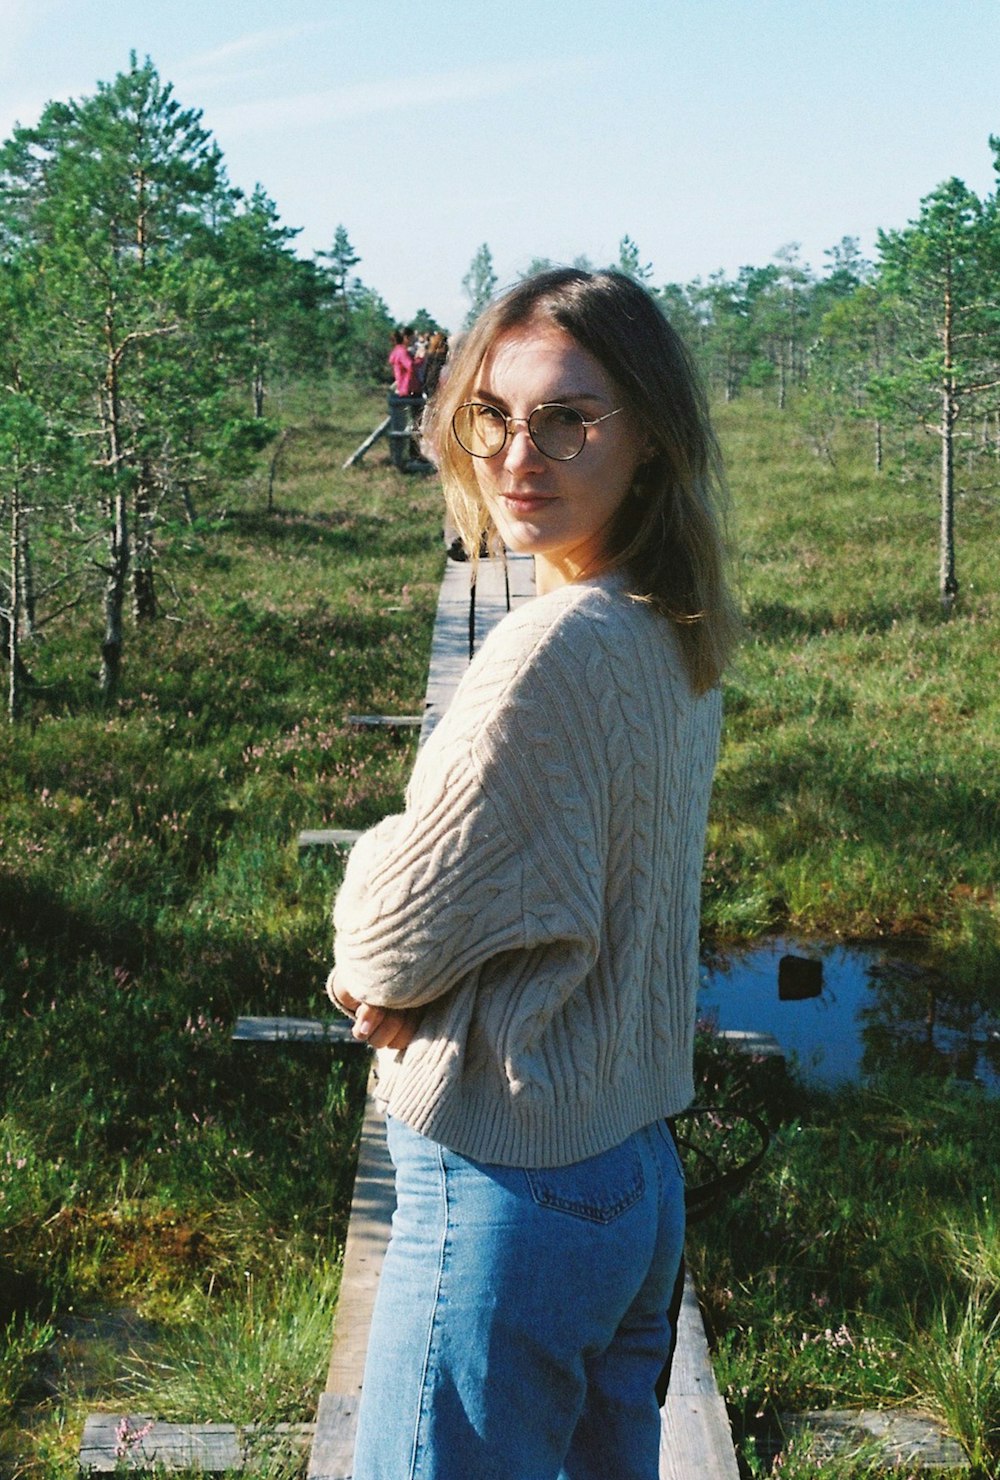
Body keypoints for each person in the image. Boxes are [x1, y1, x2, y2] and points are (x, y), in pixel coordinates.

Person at [327, 267, 740, 1480]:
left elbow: (386, 942)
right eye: (494, 414)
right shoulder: (671, 624)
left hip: (511, 1186)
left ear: (649, 435)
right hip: (631, 1179)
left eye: (570, 416)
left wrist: (391, 930)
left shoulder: (543, 653)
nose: (521, 451)